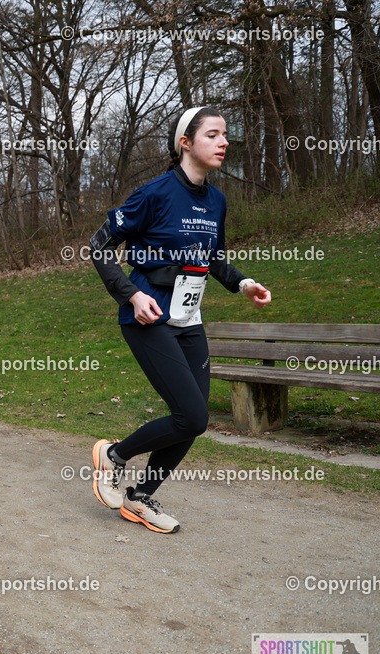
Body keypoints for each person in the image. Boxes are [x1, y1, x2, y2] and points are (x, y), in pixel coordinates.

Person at [89, 106, 272, 534]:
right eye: (212, 135)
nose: (224, 142)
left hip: (189, 317)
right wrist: (131, 295)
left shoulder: (217, 200)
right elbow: (99, 245)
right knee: (191, 415)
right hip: (147, 314)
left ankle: (139, 497)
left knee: (194, 418)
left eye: (225, 134)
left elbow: (213, 258)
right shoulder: (153, 193)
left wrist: (243, 283)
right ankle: (114, 457)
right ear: (185, 143)